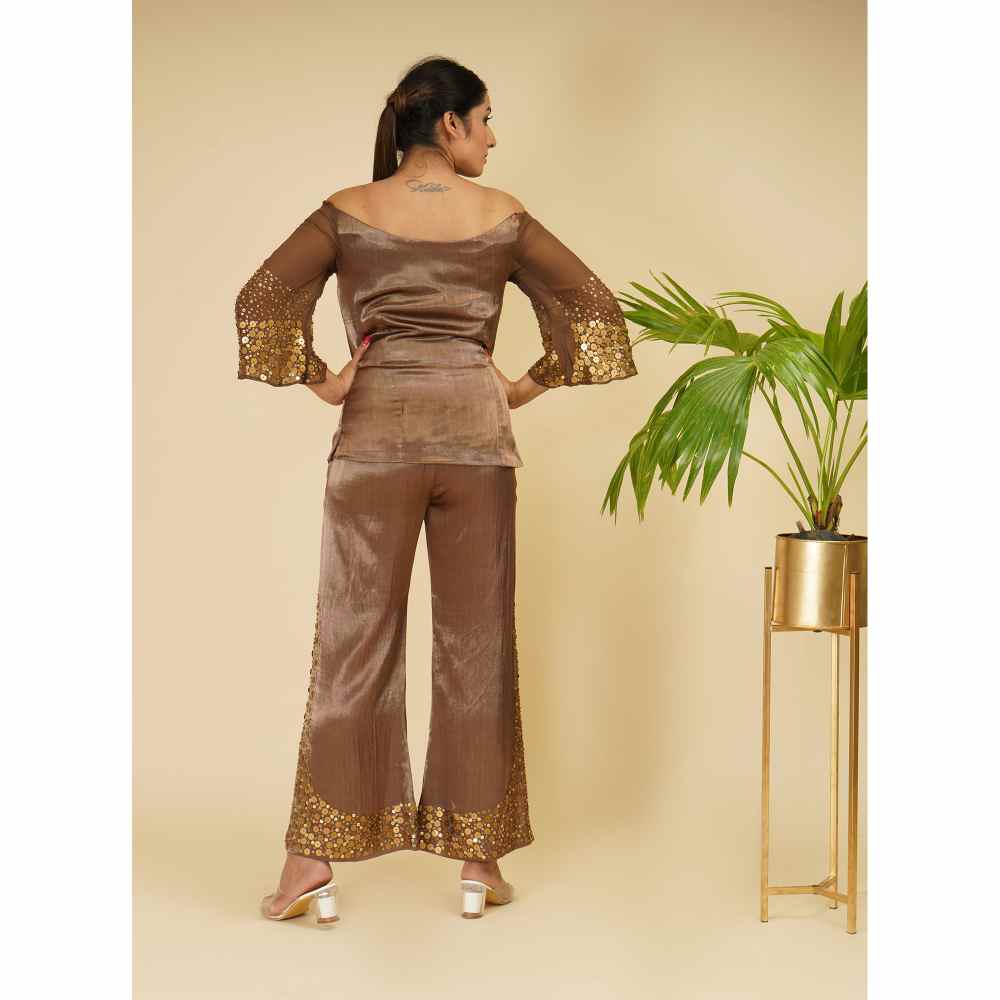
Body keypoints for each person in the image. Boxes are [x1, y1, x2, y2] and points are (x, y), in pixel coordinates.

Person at [237, 56, 638, 924]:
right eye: (485, 119)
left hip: (372, 445)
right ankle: (477, 861)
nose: (492, 137)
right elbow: (597, 312)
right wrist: (520, 386)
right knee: (477, 649)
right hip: (476, 448)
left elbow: (261, 300)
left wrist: (326, 380)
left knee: (353, 645)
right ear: (450, 124)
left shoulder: (347, 209)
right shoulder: (503, 215)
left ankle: (310, 861)